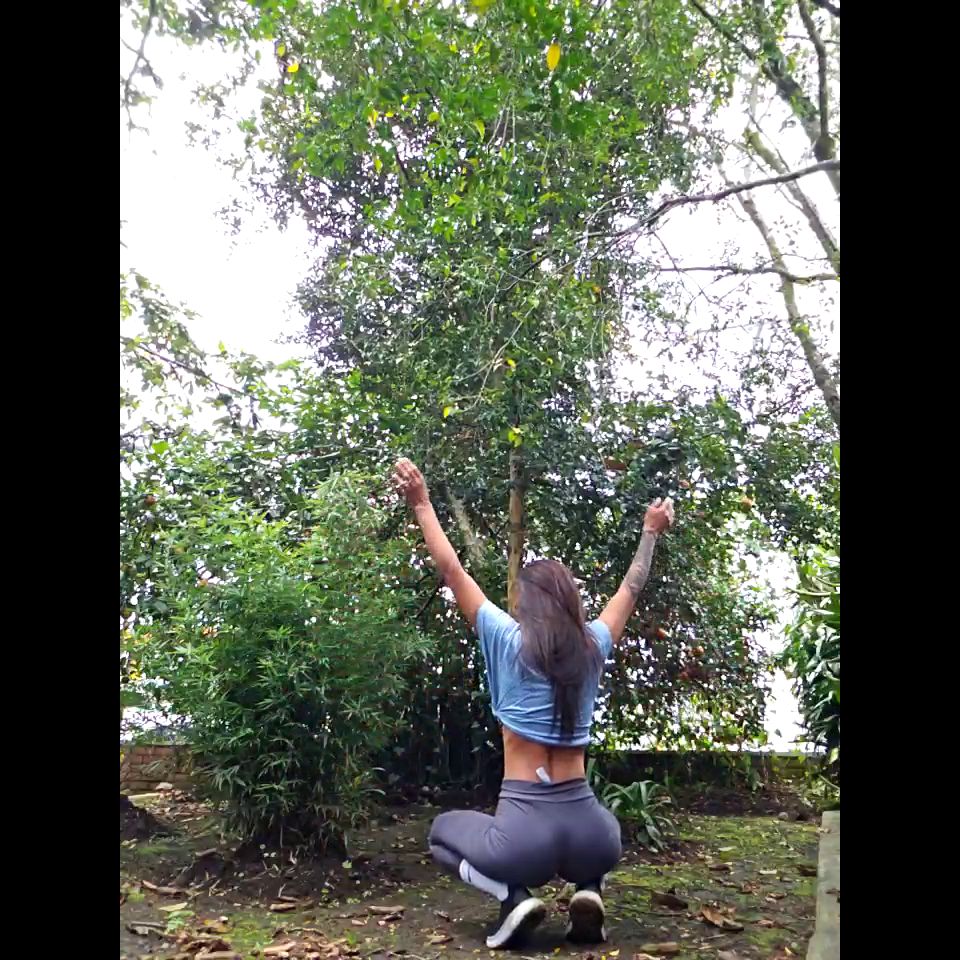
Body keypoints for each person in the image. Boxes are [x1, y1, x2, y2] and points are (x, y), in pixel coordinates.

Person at [391, 458, 675, 949]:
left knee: (440, 834)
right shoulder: (593, 646)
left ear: (526, 603)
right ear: (570, 604)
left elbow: (452, 569)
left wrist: (421, 503)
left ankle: (513, 897)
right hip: (593, 836)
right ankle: (589, 889)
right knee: (599, 835)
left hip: (524, 839)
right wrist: (650, 532)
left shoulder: (505, 639)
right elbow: (631, 587)